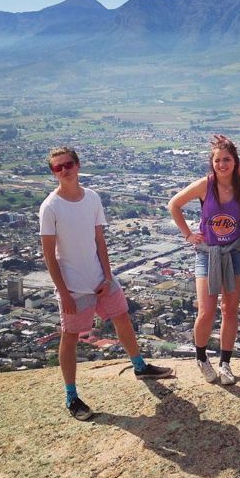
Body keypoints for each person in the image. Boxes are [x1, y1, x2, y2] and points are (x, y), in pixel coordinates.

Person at [39, 146, 172, 421]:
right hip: (73, 286)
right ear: (53, 173)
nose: (64, 170)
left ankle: (139, 366)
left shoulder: (92, 198)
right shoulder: (50, 207)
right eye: (57, 167)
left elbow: (100, 240)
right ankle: (71, 396)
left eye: (68, 164)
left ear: (77, 165)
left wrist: (109, 276)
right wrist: (63, 293)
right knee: (70, 337)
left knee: (122, 317)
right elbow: (49, 255)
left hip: (101, 277)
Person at [168, 135, 240, 385]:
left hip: (235, 252)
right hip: (208, 253)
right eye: (217, 160)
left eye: (227, 159)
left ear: (236, 162)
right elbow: (174, 204)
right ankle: (201, 357)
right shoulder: (204, 186)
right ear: (211, 163)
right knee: (206, 311)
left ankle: (225, 362)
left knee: (230, 309)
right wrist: (188, 234)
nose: (222, 165)